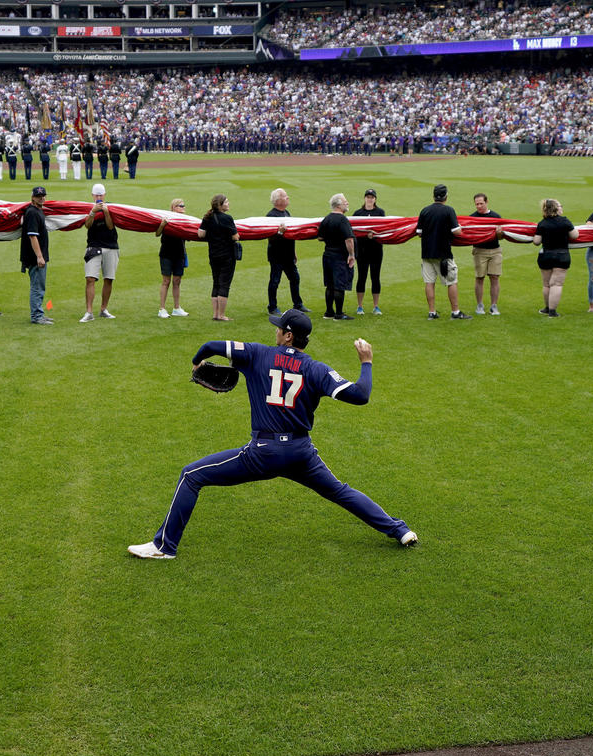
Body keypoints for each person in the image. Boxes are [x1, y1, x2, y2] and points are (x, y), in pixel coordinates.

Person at [127, 309, 417, 560]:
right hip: (301, 454)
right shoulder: (317, 369)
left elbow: (210, 345)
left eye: (279, 327)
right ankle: (400, 530)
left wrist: (196, 363)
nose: (275, 330)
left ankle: (163, 547)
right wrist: (366, 361)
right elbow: (360, 395)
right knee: (340, 491)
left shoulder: (257, 353)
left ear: (288, 336)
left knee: (192, 475)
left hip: (263, 454)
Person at [415, 184, 470, 320]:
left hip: (427, 253)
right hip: (444, 254)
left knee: (429, 282)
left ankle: (432, 312)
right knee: (451, 282)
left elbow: (419, 233)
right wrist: (463, 229)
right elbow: (456, 231)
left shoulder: (425, 211)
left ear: (433, 196)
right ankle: (455, 312)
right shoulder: (448, 210)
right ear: (446, 196)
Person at [532, 198, 578, 317]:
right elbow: (575, 235)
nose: (561, 207)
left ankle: (547, 308)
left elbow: (536, 241)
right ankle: (552, 312)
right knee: (556, 284)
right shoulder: (565, 221)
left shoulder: (542, 223)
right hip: (561, 256)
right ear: (555, 208)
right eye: (560, 206)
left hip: (545, 255)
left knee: (546, 284)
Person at [80, 183, 119, 322]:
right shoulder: (87, 208)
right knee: (90, 278)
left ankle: (103, 309)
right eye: (96, 195)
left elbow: (110, 226)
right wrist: (93, 211)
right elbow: (87, 225)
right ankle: (89, 312)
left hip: (111, 246)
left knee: (109, 279)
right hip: (93, 246)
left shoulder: (112, 208)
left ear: (105, 194)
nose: (99, 197)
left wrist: (106, 211)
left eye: (101, 194)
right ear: (92, 195)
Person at [199, 193, 239, 321]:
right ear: (220, 205)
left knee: (216, 283)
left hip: (213, 255)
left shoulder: (207, 217)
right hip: (227, 255)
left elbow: (200, 234)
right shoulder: (227, 218)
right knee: (224, 284)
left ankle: (215, 314)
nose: (228, 204)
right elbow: (235, 237)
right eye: (226, 202)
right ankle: (221, 315)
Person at [266, 187, 305, 315]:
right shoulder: (270, 216)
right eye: (285, 196)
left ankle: (298, 304)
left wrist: (294, 253)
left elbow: (291, 236)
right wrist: (279, 232)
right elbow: (270, 238)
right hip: (276, 255)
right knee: (275, 281)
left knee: (295, 278)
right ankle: (272, 307)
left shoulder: (287, 213)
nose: (288, 197)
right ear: (278, 201)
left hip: (288, 255)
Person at [318, 193, 356, 320]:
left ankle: (329, 312)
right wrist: (351, 254)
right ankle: (339, 314)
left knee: (330, 285)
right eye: (345, 201)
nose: (347, 203)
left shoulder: (327, 218)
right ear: (339, 204)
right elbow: (349, 239)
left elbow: (320, 237)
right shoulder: (342, 220)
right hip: (339, 257)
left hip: (327, 255)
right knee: (339, 285)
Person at [21, 185, 53, 324]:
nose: (42, 198)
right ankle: (36, 316)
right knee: (37, 287)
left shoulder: (37, 210)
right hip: (35, 257)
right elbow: (32, 236)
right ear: (33, 197)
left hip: (37, 255)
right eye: (39, 196)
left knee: (39, 286)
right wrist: (39, 256)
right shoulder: (33, 213)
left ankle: (39, 313)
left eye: (43, 196)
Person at [468, 193, 503, 315]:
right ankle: (479, 305)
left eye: (481, 203)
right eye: (476, 204)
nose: (479, 206)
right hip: (479, 251)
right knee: (479, 278)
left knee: (494, 277)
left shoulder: (495, 217)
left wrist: (499, 233)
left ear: (487, 202)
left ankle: (494, 306)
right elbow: (468, 235)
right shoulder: (472, 218)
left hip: (495, 251)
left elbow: (501, 237)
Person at [353, 189, 385, 316]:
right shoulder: (358, 213)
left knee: (375, 277)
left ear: (375, 199)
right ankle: (359, 306)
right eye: (368, 197)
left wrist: (375, 235)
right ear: (364, 198)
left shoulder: (380, 212)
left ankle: (376, 306)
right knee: (362, 276)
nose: (370, 199)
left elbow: (383, 229)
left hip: (376, 249)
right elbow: (354, 231)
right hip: (362, 250)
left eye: (372, 197)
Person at [156, 198, 189, 318]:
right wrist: (163, 225)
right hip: (166, 254)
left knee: (177, 281)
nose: (183, 208)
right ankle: (162, 309)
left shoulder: (186, 220)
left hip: (180, 254)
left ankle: (176, 308)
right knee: (166, 281)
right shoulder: (166, 218)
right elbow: (157, 233)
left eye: (183, 206)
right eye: (180, 206)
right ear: (173, 208)